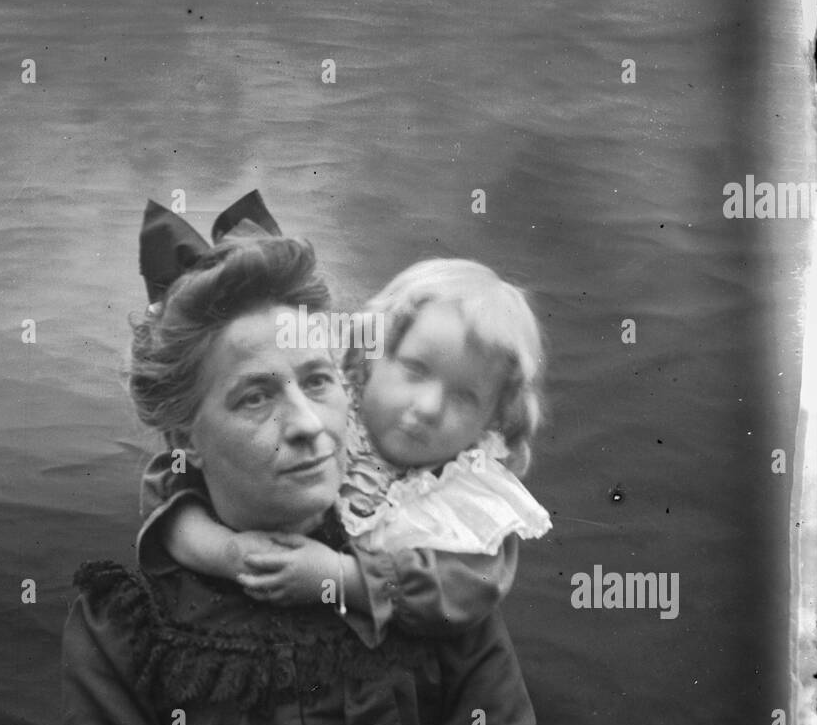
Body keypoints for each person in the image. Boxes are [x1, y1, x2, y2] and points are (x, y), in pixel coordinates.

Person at [61, 208, 563, 725]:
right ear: (186, 436)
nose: (307, 425)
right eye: (256, 396)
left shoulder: (424, 571)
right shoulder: (128, 627)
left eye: (318, 381)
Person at [141, 253, 553, 649]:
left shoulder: (464, 500)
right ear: (370, 359)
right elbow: (172, 484)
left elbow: (465, 591)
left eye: (465, 398)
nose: (428, 409)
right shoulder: (331, 408)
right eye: (414, 370)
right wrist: (224, 554)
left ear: (491, 421)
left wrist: (340, 577)